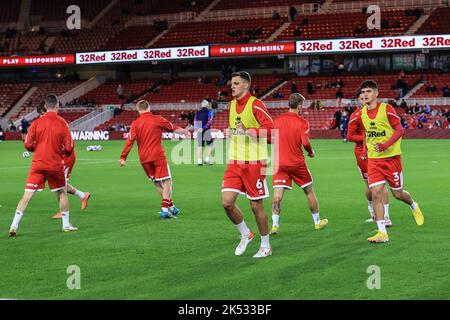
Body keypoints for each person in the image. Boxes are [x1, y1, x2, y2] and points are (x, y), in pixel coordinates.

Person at [354, 80, 424, 243]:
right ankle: (382, 232)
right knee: (376, 193)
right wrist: (365, 150)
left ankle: (413, 205)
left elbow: (400, 129)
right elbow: (365, 132)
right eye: (363, 92)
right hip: (374, 160)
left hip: (392, 159)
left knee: (398, 193)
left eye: (369, 91)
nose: (365, 94)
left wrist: (385, 145)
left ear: (376, 94)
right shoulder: (362, 112)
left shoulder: (386, 109)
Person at [8, 95, 78, 237]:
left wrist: (37, 149)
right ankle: (66, 225)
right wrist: (60, 151)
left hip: (38, 164)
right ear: (57, 106)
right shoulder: (62, 123)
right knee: (62, 193)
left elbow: (27, 144)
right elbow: (70, 147)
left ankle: (13, 226)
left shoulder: (36, 123)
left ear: (45, 106)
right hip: (55, 165)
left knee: (26, 196)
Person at [222, 71, 274, 258]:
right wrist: (231, 132)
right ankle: (246, 234)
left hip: (254, 162)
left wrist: (249, 131)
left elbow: (272, 133)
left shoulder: (256, 105)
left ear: (246, 85)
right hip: (235, 161)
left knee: (255, 206)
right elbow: (238, 130)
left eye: (236, 83)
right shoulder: (232, 105)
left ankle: (266, 245)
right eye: (231, 83)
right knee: (227, 203)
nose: (232, 86)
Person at [119, 100, 190, 218]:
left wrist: (123, 157)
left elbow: (129, 140)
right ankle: (164, 209)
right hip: (157, 156)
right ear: (149, 107)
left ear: (138, 109)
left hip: (144, 158)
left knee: (157, 183)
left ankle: (171, 207)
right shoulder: (157, 118)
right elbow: (173, 127)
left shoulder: (135, 123)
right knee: (167, 181)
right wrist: (185, 131)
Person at [270, 93, 328, 235]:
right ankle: (317, 222)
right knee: (309, 191)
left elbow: (271, 139)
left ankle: (275, 225)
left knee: (277, 196)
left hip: (279, 163)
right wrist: (311, 152)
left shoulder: (276, 121)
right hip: (296, 163)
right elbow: (306, 142)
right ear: (300, 105)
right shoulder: (302, 122)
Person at [33, 103, 91, 219]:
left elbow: (68, 144)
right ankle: (82, 195)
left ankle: (63, 211)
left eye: (42, 114)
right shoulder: (46, 122)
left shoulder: (58, 122)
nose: (41, 118)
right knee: (60, 184)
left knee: (59, 185)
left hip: (66, 157)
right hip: (57, 158)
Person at [348, 90, 391, 226]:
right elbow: (350, 136)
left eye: (366, 96)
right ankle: (372, 209)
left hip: (379, 151)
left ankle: (386, 216)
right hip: (363, 154)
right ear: (359, 100)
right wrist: (366, 138)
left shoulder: (378, 112)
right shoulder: (356, 116)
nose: (365, 98)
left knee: (381, 184)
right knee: (370, 185)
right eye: (361, 98)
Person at [195, 99, 214, 165]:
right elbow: (210, 121)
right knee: (210, 144)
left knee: (200, 146)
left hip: (199, 130)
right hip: (206, 130)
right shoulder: (209, 112)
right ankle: (207, 159)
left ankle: (199, 161)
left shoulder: (197, 112)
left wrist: (198, 128)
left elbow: (195, 121)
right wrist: (204, 128)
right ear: (207, 105)